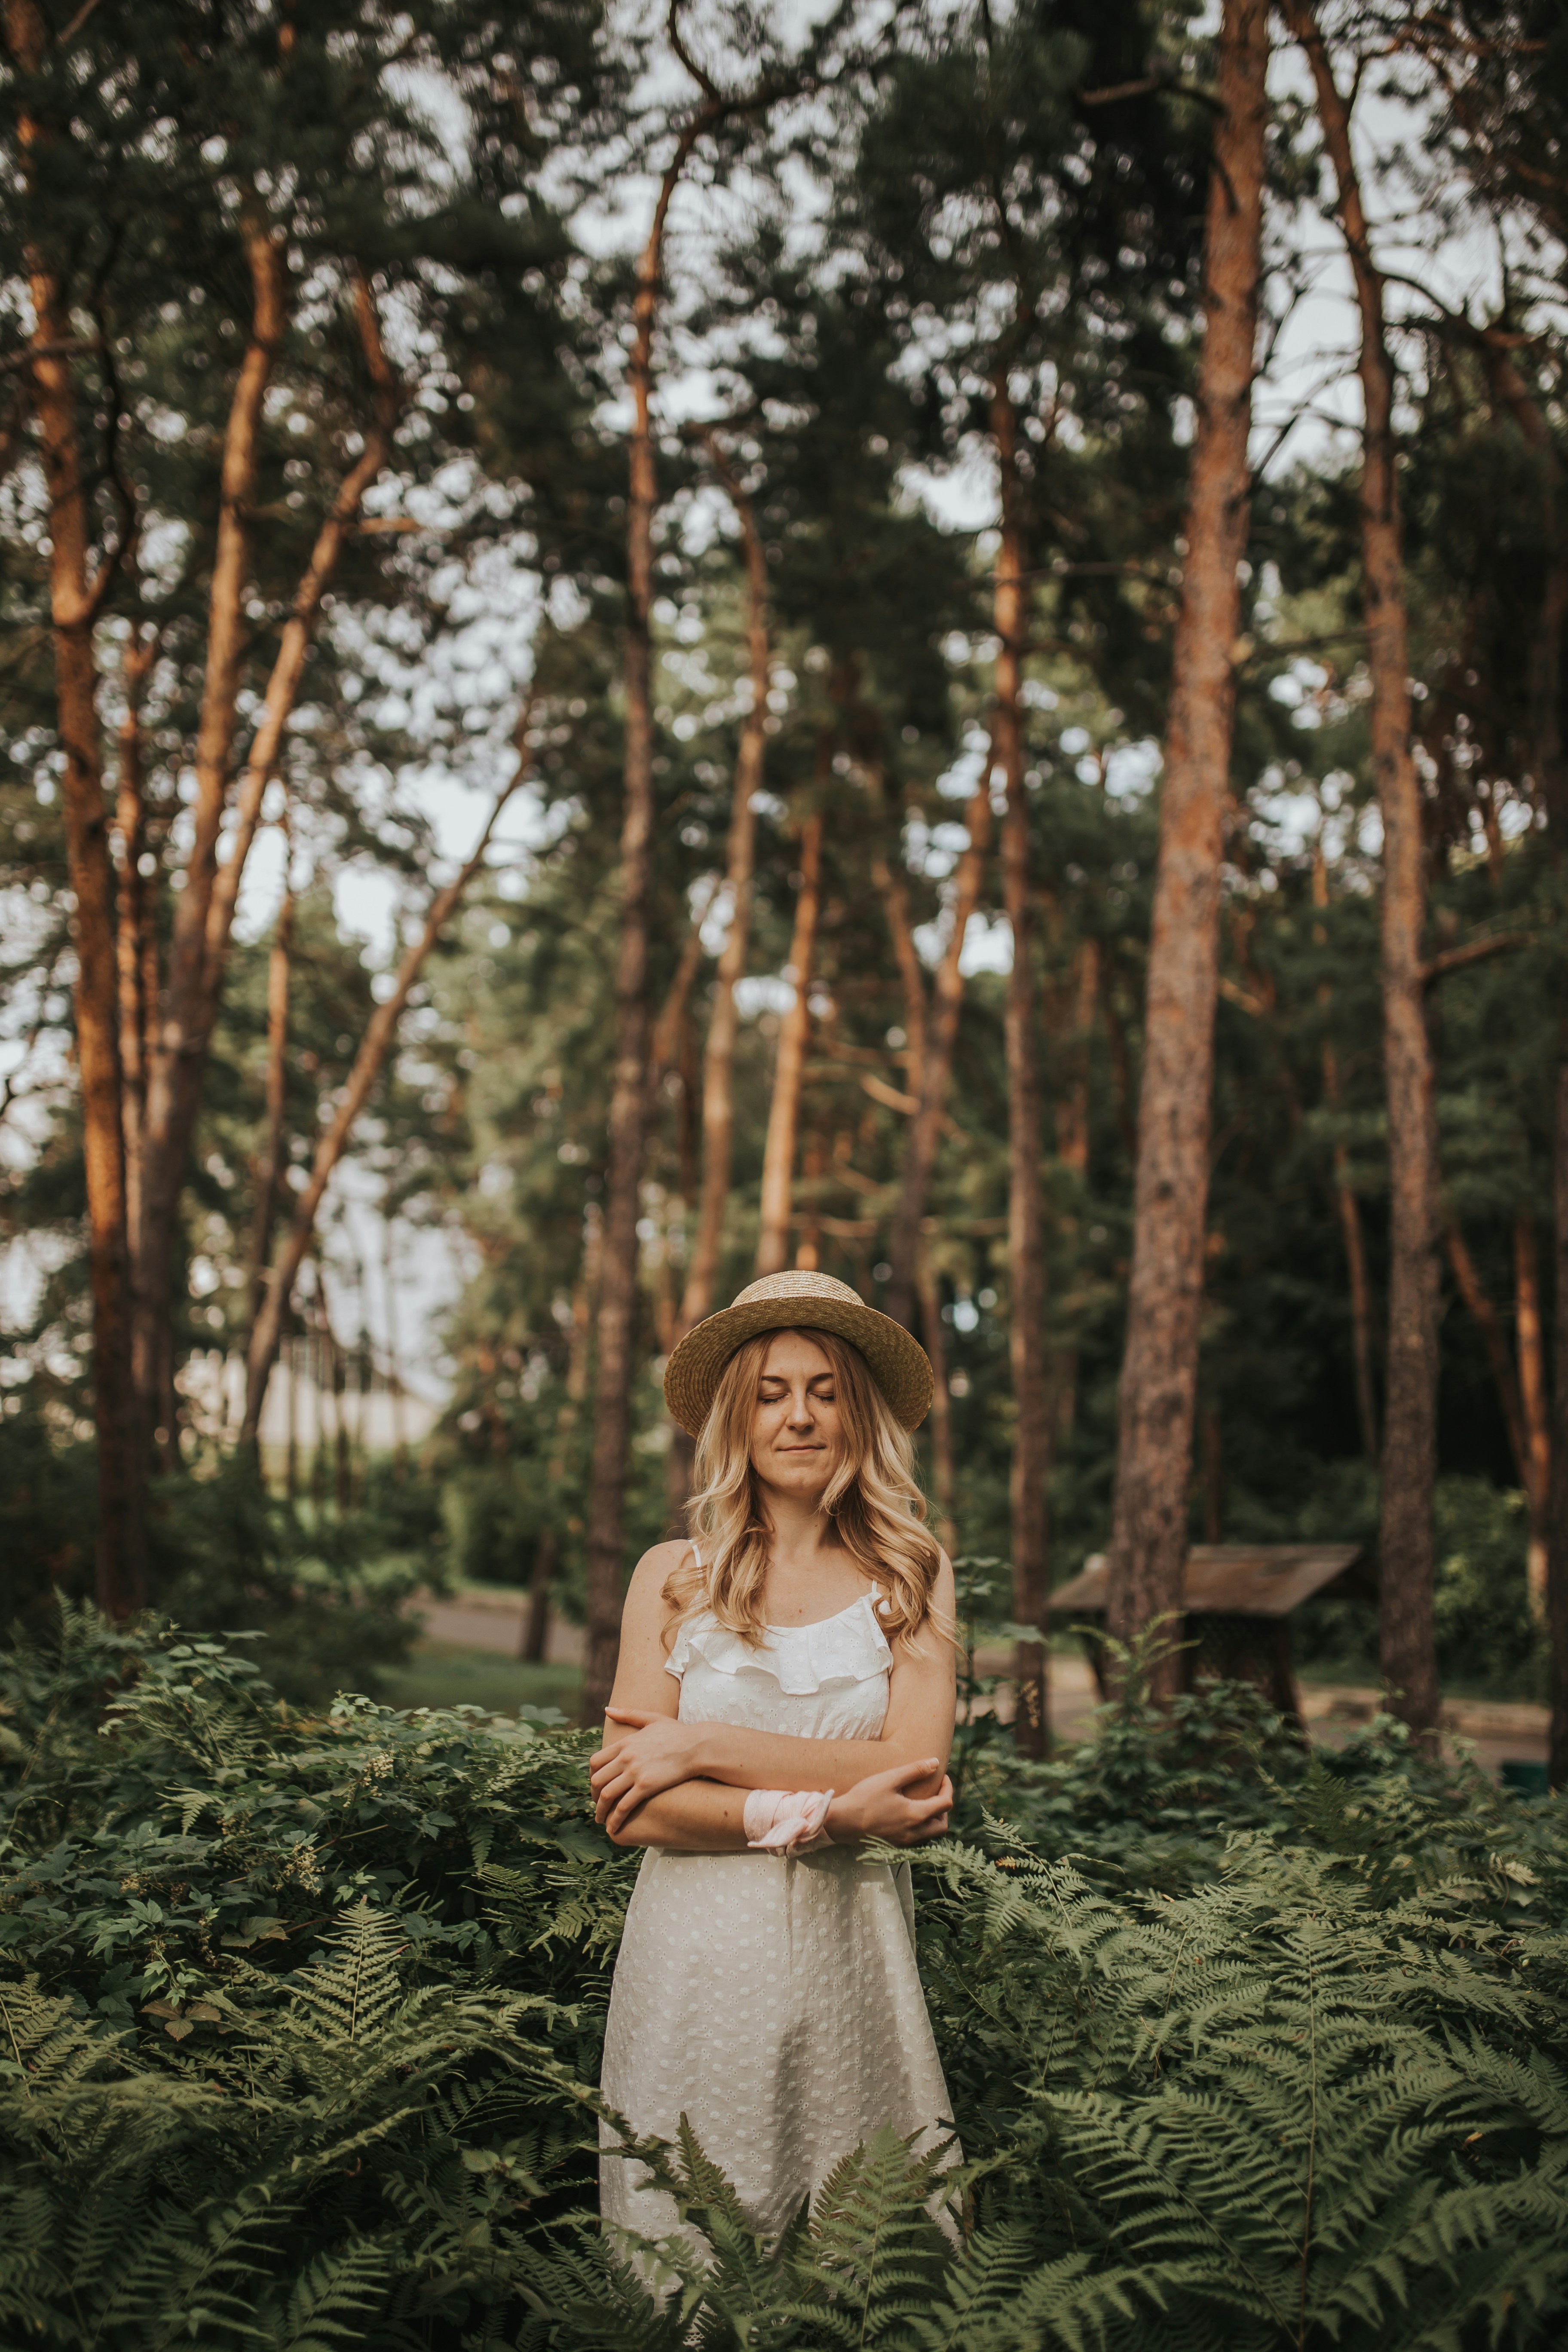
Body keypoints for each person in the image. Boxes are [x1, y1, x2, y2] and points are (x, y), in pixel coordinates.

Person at [591, 1268, 961, 2254]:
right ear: (736, 1421)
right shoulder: (670, 1581)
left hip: (856, 1959)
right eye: (770, 1394)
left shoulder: (911, 1576)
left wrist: (700, 1746)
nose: (799, 1418)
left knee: (865, 2259)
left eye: (826, 1392)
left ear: (859, 1415)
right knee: (688, 2250)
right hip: (694, 1961)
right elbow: (630, 1809)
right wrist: (829, 1814)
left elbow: (918, 1773)